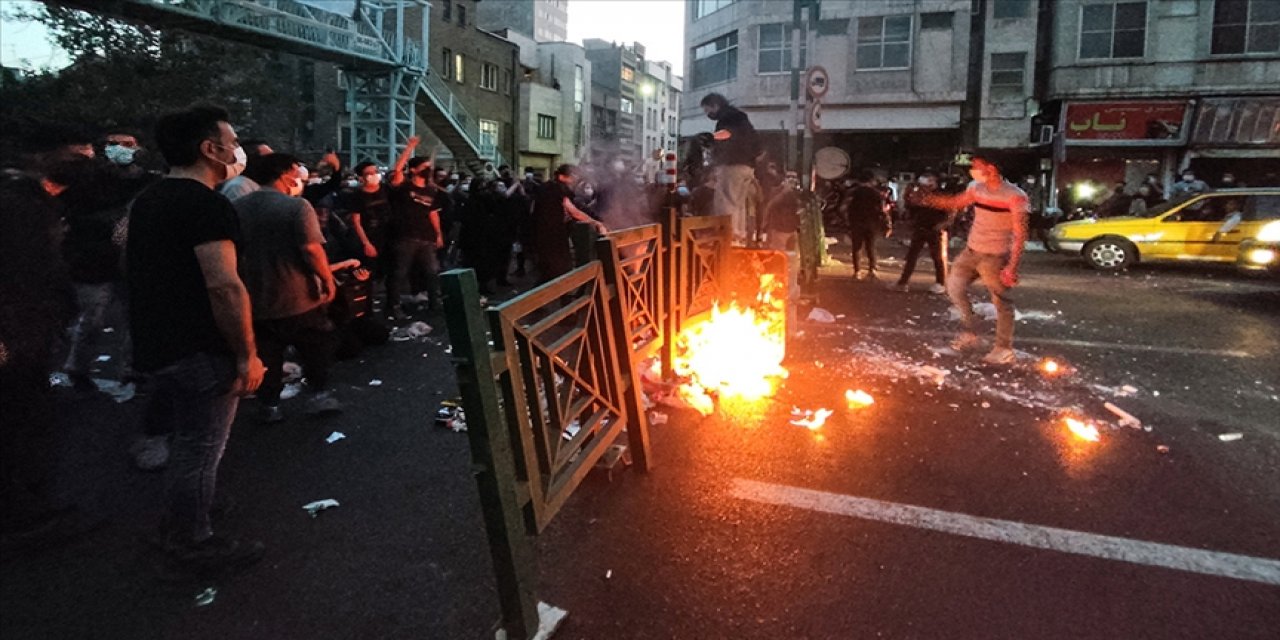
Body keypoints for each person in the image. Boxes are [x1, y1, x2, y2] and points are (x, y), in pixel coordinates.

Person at [126, 104, 266, 572]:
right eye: (231, 139)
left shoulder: (150, 199)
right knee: (200, 446)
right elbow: (223, 284)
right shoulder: (205, 204)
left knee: (188, 441)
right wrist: (247, 355)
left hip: (159, 341)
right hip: (200, 347)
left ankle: (185, 513)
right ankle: (191, 539)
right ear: (210, 149)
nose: (235, 147)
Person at [233, 153, 341, 423]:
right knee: (314, 347)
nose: (298, 175)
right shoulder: (297, 207)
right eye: (296, 170)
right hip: (299, 296)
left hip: (256, 297)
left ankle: (269, 406)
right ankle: (318, 396)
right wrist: (328, 280)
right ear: (284, 173)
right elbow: (311, 249)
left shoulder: (237, 207)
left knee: (268, 354)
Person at [921, 155, 1029, 365]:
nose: (972, 169)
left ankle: (1003, 348)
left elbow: (1020, 234)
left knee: (1001, 302)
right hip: (971, 251)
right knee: (954, 289)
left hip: (996, 256)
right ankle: (971, 333)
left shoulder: (1015, 196)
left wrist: (1012, 266)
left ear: (992, 168)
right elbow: (956, 202)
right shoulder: (976, 187)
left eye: (976, 166)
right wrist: (928, 199)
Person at [388, 147, 445, 317]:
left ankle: (435, 303)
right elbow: (397, 170)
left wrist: (439, 234)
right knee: (399, 273)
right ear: (413, 169)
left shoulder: (430, 190)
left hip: (426, 236)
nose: (429, 170)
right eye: (425, 167)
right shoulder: (404, 186)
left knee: (432, 272)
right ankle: (394, 306)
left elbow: (432, 213)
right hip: (406, 235)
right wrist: (409, 148)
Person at [532, 164, 607, 283]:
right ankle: (557, 295)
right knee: (559, 268)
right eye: (573, 176)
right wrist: (596, 223)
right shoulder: (557, 189)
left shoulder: (547, 187)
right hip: (554, 235)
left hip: (544, 233)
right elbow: (574, 211)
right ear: (562, 176)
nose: (575, 179)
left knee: (547, 268)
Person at [701, 93, 761, 242]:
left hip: (732, 165)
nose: (707, 114)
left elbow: (727, 133)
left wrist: (712, 138)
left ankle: (729, 235)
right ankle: (739, 234)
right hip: (747, 166)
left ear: (715, 105)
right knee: (739, 202)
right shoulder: (742, 117)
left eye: (707, 110)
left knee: (726, 199)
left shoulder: (728, 117)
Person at [895, 172, 950, 294]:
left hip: (934, 229)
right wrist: (908, 194)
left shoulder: (940, 196)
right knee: (912, 256)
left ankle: (940, 283)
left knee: (937, 257)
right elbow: (911, 207)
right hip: (920, 228)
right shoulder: (920, 195)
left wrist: (943, 224)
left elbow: (950, 212)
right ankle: (903, 282)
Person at [843, 171, 891, 280]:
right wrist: (887, 226)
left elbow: (843, 208)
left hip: (856, 223)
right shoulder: (877, 194)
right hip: (872, 224)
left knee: (856, 247)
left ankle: (857, 272)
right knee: (871, 247)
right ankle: (872, 270)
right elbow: (883, 211)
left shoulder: (852, 193)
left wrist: (847, 223)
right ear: (872, 181)